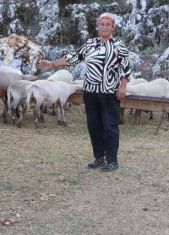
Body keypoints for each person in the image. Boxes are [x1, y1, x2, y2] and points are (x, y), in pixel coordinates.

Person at [39, 13, 132, 171]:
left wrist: (122, 87)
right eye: (101, 24)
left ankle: (112, 160)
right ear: (97, 27)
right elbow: (74, 58)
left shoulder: (118, 45)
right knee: (94, 124)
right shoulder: (90, 44)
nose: (104, 27)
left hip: (109, 91)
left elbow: (126, 67)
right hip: (90, 91)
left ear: (113, 28)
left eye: (108, 25)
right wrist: (53, 64)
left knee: (110, 126)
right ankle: (99, 157)